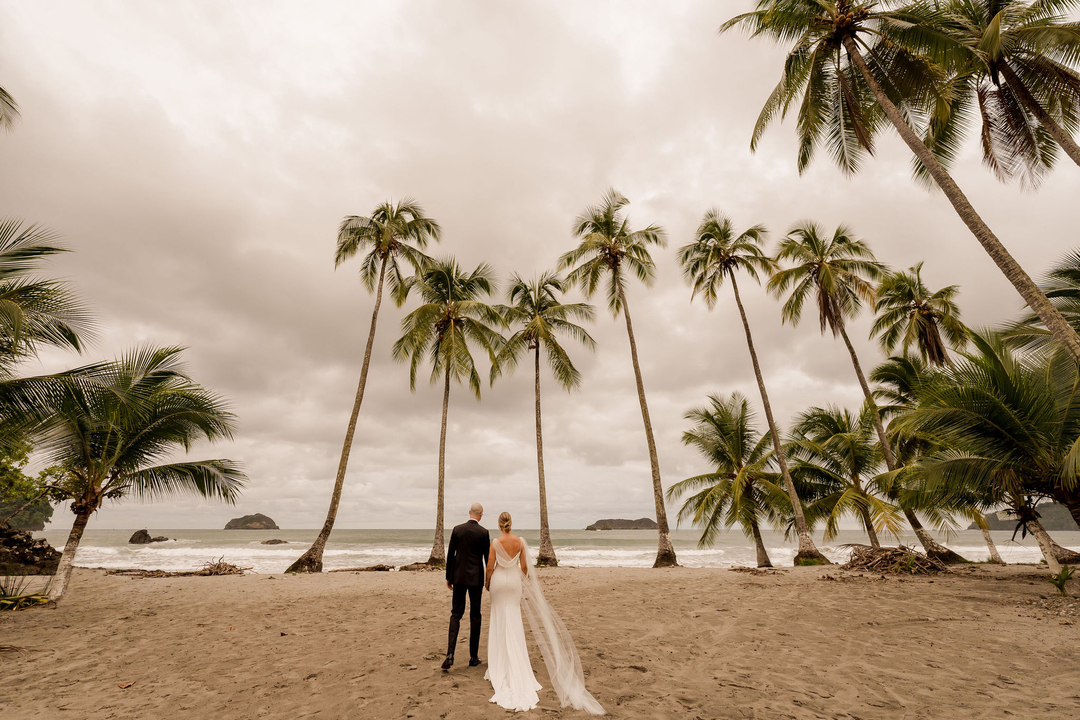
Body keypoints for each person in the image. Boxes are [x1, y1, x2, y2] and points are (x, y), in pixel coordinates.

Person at [484, 511, 604, 714]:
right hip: (513, 583)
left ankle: (498, 665)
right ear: (511, 524)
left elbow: (489, 567)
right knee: (513, 618)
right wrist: (516, 579)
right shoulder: (520, 542)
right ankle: (516, 664)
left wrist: (487, 583)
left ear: (499, 524)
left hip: (498, 583)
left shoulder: (495, 542)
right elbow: (524, 568)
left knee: (498, 619)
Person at [443, 502, 490, 670]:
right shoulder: (483, 532)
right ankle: (473, 657)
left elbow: (451, 554)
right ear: (481, 514)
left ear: (469, 512)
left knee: (456, 614)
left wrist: (449, 577)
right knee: (475, 615)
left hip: (459, 577)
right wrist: (488, 579)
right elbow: (487, 558)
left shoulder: (457, 529)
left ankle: (450, 654)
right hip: (476, 579)